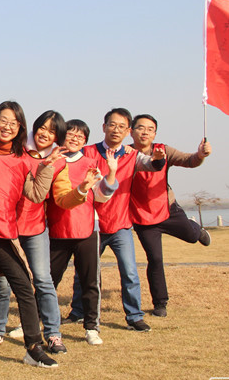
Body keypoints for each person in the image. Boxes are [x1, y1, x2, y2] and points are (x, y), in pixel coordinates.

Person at [0, 101, 62, 368]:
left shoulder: (23, 159)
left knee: (25, 286)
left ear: (20, 128)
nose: (7, 126)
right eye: (3, 120)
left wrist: (47, 166)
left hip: (2, 234)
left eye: (14, 123)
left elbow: (36, 194)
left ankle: (33, 348)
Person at [66, 108, 166, 332]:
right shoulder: (88, 152)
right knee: (84, 272)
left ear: (128, 131)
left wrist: (158, 160)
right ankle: (78, 312)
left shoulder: (132, 155)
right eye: (112, 125)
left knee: (129, 272)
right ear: (104, 127)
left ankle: (134, 316)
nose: (116, 130)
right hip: (92, 225)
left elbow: (151, 164)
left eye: (121, 127)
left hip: (121, 225)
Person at [0, 110, 69, 354]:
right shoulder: (17, 147)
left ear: (57, 137)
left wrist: (83, 189)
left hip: (34, 227)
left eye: (52, 131)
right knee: (2, 281)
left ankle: (53, 334)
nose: (45, 134)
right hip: (7, 226)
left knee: (43, 279)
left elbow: (56, 195)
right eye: (42, 127)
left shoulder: (59, 160)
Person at [129, 114, 212, 317]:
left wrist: (200, 154)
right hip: (142, 217)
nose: (145, 132)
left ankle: (197, 230)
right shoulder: (125, 153)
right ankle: (160, 303)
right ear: (131, 131)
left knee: (191, 237)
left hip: (168, 209)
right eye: (140, 128)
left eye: (150, 129)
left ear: (155, 134)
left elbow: (189, 160)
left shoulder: (164, 150)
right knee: (155, 259)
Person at [48, 120, 118, 346]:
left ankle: (91, 327)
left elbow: (101, 196)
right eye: (71, 134)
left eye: (81, 137)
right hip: (57, 227)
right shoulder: (52, 159)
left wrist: (111, 173)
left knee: (90, 280)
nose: (75, 139)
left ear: (85, 141)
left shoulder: (90, 163)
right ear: (62, 136)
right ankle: (35, 320)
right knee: (47, 280)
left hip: (87, 227)